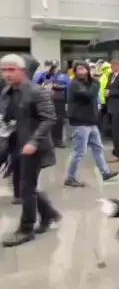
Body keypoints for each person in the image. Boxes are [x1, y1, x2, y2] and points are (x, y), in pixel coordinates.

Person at [1, 54, 61, 247]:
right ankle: (50, 214)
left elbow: (49, 119)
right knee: (25, 186)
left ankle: (26, 228)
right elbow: (6, 116)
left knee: (26, 187)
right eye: (4, 70)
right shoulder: (6, 92)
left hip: (34, 147)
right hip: (14, 145)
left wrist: (34, 141)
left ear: (23, 71)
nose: (7, 74)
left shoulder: (37, 92)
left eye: (12, 70)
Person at [64, 61, 119, 187]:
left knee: (98, 148)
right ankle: (70, 178)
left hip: (91, 122)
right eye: (79, 69)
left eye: (84, 69)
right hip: (80, 122)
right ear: (75, 71)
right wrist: (96, 80)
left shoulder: (88, 83)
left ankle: (105, 173)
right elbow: (89, 94)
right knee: (79, 151)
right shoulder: (75, 84)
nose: (82, 72)